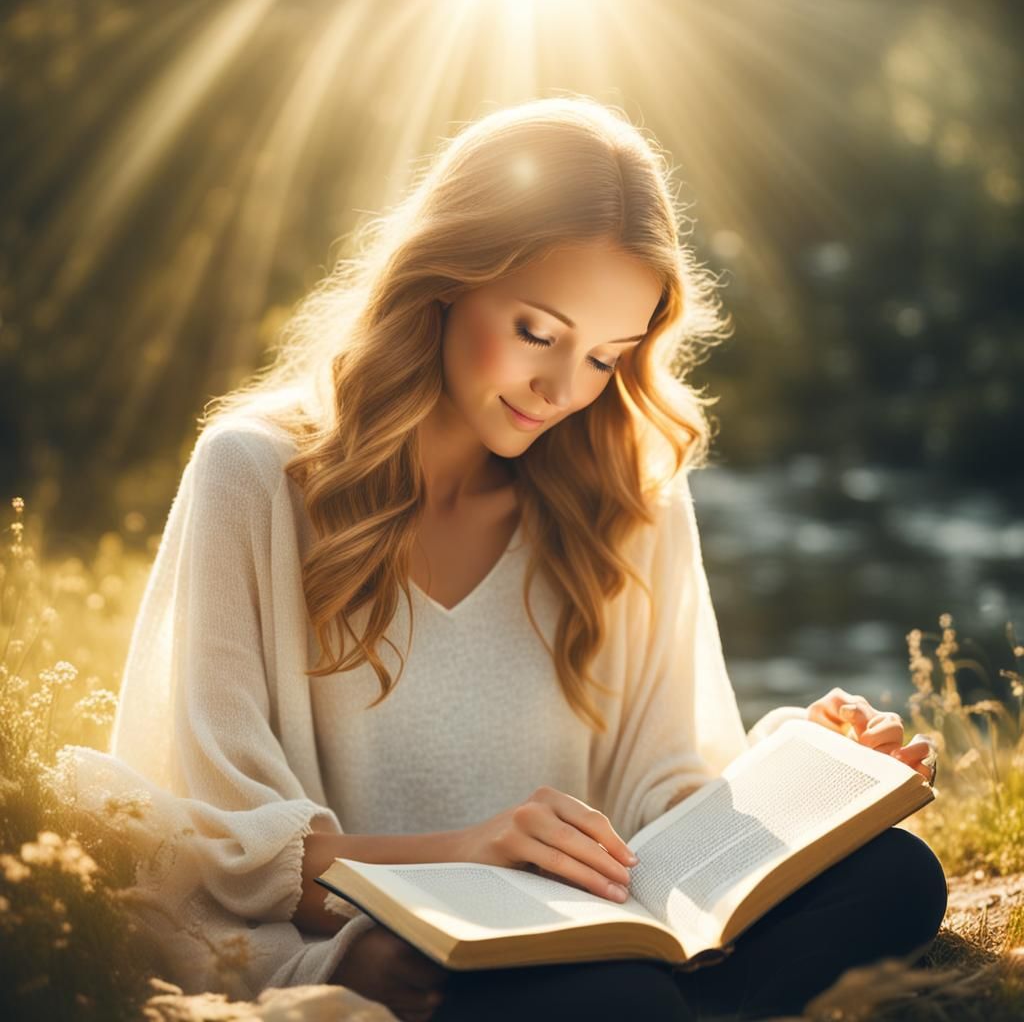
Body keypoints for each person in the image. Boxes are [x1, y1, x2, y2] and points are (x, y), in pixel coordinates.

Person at [59, 96, 945, 1021]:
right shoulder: (254, 476)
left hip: (590, 942)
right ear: (444, 279)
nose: (564, 391)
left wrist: (799, 774)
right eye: (538, 332)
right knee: (613, 997)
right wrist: (465, 853)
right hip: (389, 945)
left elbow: (665, 790)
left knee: (893, 878)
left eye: (606, 357)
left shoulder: (629, 494)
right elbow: (223, 841)